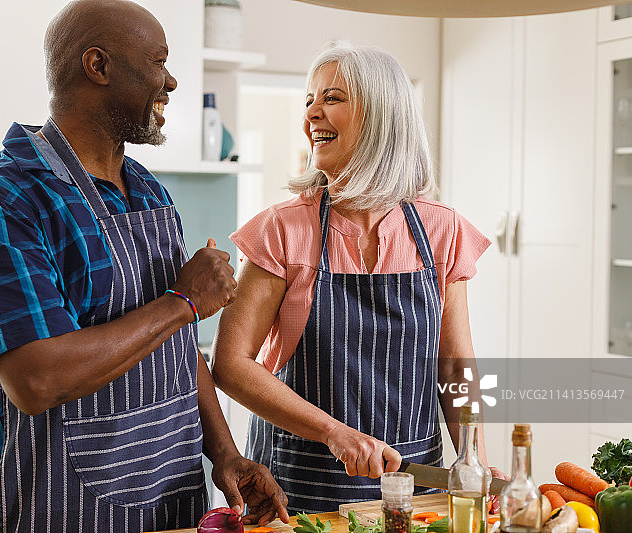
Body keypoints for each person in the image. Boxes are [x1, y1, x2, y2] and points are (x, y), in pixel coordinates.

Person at [0, 1, 289, 531]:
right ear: (97, 66)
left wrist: (225, 454)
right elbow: (36, 380)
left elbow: (176, 343)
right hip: (49, 502)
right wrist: (182, 302)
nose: (170, 82)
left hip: (169, 494)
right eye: (157, 62)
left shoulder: (148, 190)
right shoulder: (4, 199)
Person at [211, 41, 505, 513]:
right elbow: (230, 364)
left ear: (382, 114)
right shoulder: (283, 229)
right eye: (309, 101)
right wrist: (335, 433)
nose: (312, 115)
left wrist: (474, 460)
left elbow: (454, 367)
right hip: (300, 490)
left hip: (413, 489)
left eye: (332, 98)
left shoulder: (440, 230)